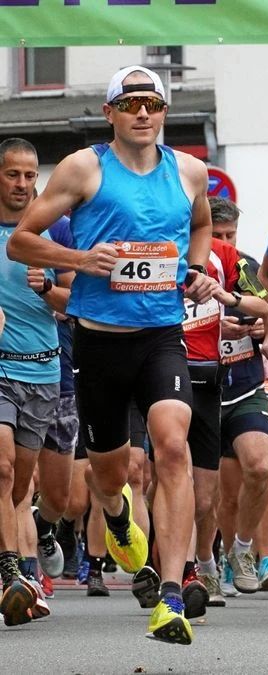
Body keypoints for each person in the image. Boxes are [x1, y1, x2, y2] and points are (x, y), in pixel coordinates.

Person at [8, 66, 222, 645]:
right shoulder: (84, 167)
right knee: (108, 477)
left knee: (172, 446)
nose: (143, 113)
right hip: (99, 340)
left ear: (163, 110)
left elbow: (200, 225)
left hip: (161, 336)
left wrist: (197, 270)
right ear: (111, 113)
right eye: (130, 103)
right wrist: (80, 261)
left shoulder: (189, 170)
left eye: (152, 102)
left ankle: (172, 594)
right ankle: (122, 517)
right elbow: (21, 239)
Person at [0, 137, 72, 626]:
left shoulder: (54, 229)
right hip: (0, 367)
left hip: (45, 370)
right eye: (12, 174)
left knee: (20, 488)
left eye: (30, 175)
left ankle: (23, 575)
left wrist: (48, 287)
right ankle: (14, 575)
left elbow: (77, 303)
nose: (23, 183)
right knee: (2, 471)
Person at [204, 197, 268, 595]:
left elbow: (266, 312)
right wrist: (217, 332)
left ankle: (243, 550)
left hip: (245, 386)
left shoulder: (243, 265)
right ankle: (203, 563)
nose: (224, 242)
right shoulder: (186, 265)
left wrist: (262, 333)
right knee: (205, 491)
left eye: (230, 235)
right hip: (199, 389)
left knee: (259, 468)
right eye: (216, 235)